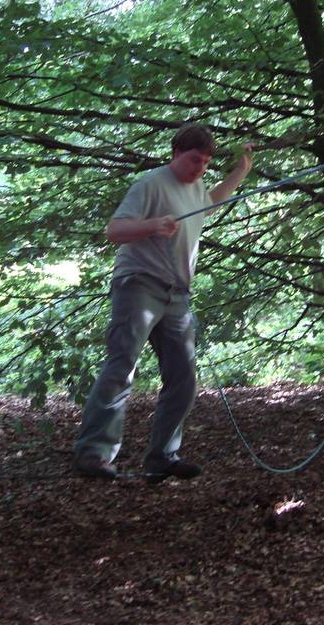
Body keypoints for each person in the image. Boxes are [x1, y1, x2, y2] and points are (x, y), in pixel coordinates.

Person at [73, 124, 253, 483]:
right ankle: (94, 454)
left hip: (177, 295)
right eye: (193, 160)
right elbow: (114, 231)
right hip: (139, 284)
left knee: (184, 378)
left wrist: (241, 170)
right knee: (122, 364)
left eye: (204, 162)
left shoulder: (197, 187)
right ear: (175, 154)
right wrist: (153, 225)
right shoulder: (150, 184)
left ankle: (162, 456)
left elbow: (213, 201)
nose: (199, 167)